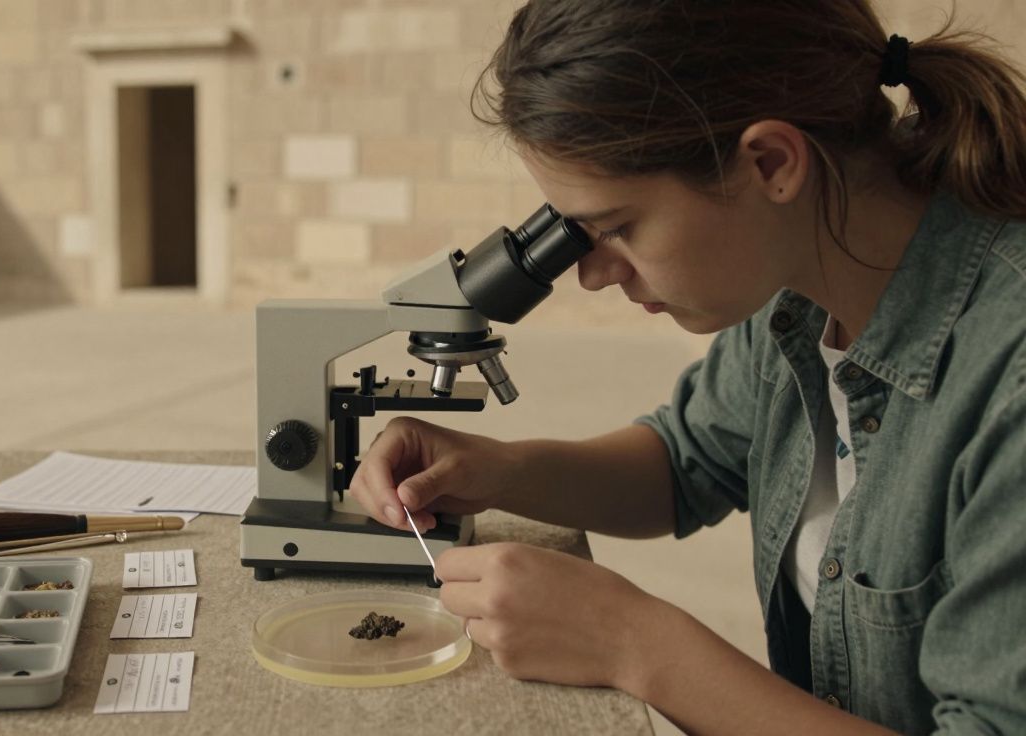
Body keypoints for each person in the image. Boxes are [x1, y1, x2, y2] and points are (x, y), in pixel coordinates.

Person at [347, 1, 1026, 733]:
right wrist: (493, 469)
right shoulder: (797, 290)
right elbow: (680, 466)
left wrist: (636, 645)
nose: (593, 273)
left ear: (771, 163)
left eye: (615, 228)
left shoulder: (1007, 376)